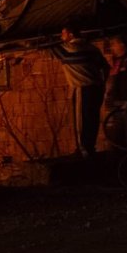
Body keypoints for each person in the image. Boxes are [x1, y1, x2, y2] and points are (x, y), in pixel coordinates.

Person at [48, 21, 110, 157]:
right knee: (93, 118)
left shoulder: (69, 49)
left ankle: (83, 150)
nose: (61, 37)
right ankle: (90, 147)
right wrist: (102, 83)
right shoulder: (93, 49)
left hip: (82, 88)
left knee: (81, 119)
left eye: (63, 34)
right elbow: (106, 67)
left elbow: (49, 47)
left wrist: (44, 40)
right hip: (96, 88)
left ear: (70, 35)